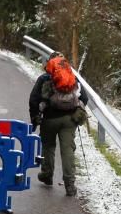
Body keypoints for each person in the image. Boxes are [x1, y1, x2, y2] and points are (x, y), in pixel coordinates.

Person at [28, 52, 88, 197]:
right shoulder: (72, 77)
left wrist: (35, 118)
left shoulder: (44, 78)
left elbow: (33, 99)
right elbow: (84, 98)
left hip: (49, 119)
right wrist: (77, 112)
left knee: (48, 147)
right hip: (69, 120)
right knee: (67, 150)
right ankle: (69, 184)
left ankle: (47, 175)